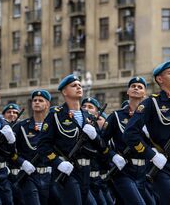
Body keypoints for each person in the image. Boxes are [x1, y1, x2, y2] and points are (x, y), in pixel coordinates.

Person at [124, 61, 170, 205]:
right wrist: (151, 155)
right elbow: (130, 133)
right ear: (160, 79)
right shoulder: (152, 103)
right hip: (161, 165)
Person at [38, 74, 108, 205]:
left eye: (80, 85)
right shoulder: (56, 115)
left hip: (86, 171)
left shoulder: (88, 116)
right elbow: (43, 146)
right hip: (67, 171)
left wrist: (95, 137)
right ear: (64, 91)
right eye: (74, 85)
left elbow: (102, 147)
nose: (78, 87)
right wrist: (58, 162)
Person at [103, 76, 156, 205]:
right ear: (127, 91)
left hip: (145, 171)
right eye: (133, 86)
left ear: (144, 93)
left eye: (140, 87)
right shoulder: (116, 116)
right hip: (124, 170)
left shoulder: (151, 117)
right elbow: (101, 141)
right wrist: (113, 156)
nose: (136, 88)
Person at [14, 90, 52, 205]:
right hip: (29, 175)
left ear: (47, 104)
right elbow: (9, 151)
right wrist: (22, 162)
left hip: (49, 175)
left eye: (40, 100)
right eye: (34, 100)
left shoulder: (53, 125)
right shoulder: (21, 126)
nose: (36, 102)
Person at [81, 96, 113, 205]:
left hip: (98, 179)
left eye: (90, 107)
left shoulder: (98, 132)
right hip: (83, 176)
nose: (86, 109)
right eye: (84, 106)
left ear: (97, 112)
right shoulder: (78, 127)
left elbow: (104, 152)